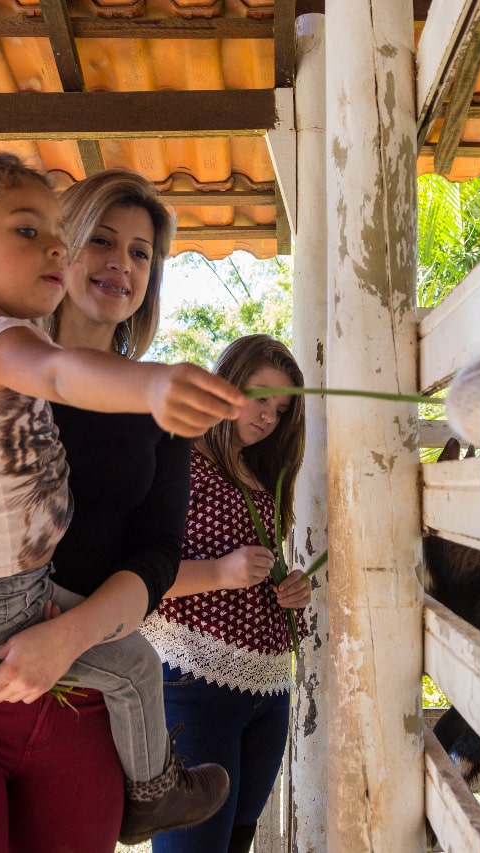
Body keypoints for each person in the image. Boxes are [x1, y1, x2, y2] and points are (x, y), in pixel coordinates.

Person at [0, 157, 241, 852]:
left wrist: (65, 639)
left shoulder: (158, 412)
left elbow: (155, 559)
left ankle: (149, 789)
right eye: (102, 240)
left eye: (142, 253)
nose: (121, 263)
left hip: (79, 693)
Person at [140, 334, 315, 853]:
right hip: (193, 680)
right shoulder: (177, 457)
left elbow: (255, 572)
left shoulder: (262, 474)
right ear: (227, 383)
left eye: (280, 411)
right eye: (260, 398)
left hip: (268, 688)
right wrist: (219, 572)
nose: (268, 418)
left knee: (236, 843)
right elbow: (137, 573)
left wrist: (291, 588)